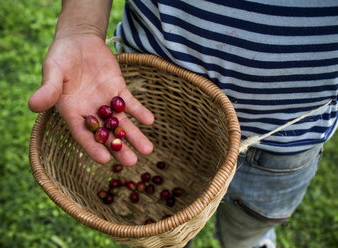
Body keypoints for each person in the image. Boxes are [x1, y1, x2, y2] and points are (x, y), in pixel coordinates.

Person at [28, 1, 338, 247]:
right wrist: (80, 27)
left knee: (250, 223)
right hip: (156, 101)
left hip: (283, 139)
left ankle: (249, 242)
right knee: (165, 231)